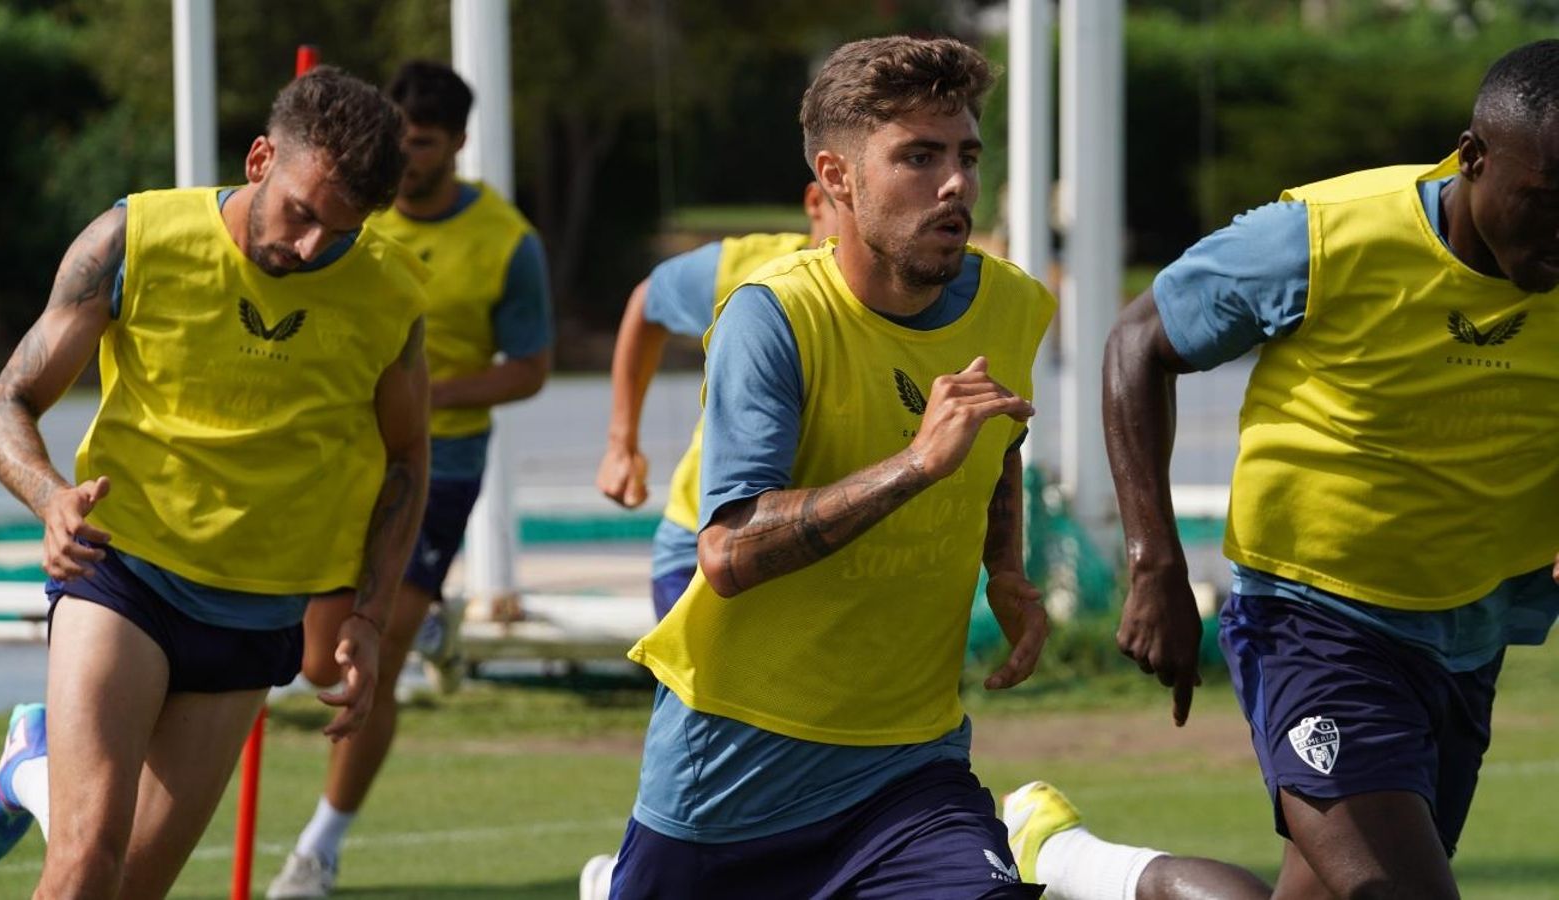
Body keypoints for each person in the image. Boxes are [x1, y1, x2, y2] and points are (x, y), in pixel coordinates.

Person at [1003, 38, 1559, 900]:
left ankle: (1071, 859)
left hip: (1467, 637)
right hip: (1316, 623)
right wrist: (1155, 564)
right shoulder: (1325, 238)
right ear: (1474, 157)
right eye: (1547, 200)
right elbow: (1139, 343)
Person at [604, 35, 1057, 899]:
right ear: (837, 178)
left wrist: (1006, 569)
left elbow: (1000, 442)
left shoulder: (1013, 304)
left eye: (966, 156)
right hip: (732, 777)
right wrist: (915, 464)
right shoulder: (771, 317)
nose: (955, 184)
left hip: (910, 770)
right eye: (918, 157)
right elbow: (727, 552)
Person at [0, 67, 430, 900]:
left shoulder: (391, 293)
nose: (311, 248)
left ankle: (30, 767)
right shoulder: (133, 238)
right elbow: (8, 403)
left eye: (342, 231)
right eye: (302, 213)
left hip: (258, 613)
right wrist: (51, 498)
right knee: (83, 865)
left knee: (131, 888)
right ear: (259, 160)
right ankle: (39, 772)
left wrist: (366, 615)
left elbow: (406, 460)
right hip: (124, 573)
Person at [267, 59, 553, 900]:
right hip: (335, 451)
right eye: (398, 137)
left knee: (371, 666)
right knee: (319, 663)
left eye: (422, 143)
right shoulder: (347, 210)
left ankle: (318, 850)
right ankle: (430, 623)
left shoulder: (508, 242)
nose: (406, 156)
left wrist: (427, 394)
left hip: (437, 462)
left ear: (458, 142)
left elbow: (531, 368)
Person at [595, 184, 837, 619]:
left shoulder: (918, 292)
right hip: (699, 543)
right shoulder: (746, 267)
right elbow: (648, 300)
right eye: (848, 202)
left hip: (824, 550)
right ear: (816, 200)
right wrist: (621, 444)